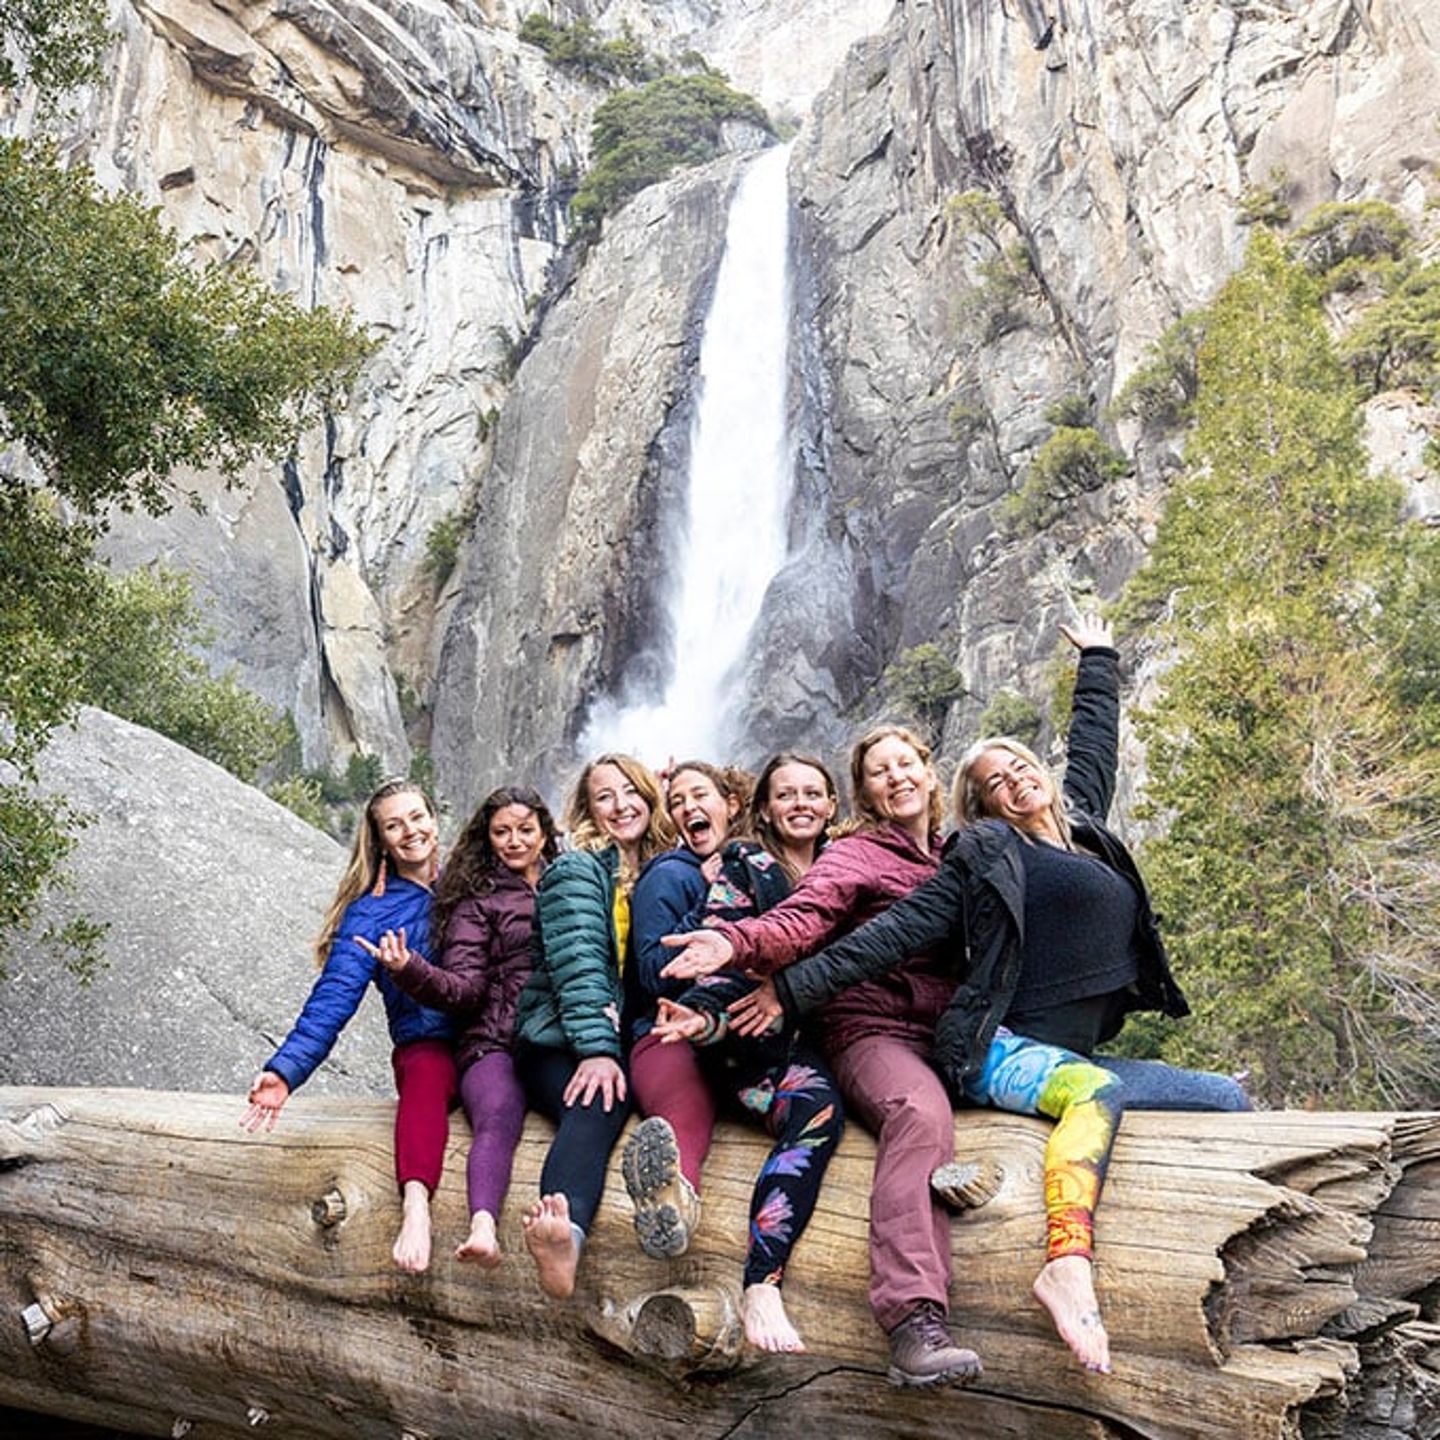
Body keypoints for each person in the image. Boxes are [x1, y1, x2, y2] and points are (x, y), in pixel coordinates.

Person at [732, 615, 1251, 1375]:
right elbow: (887, 929)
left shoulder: (1077, 831)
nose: (1014, 781)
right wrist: (782, 980)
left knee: (1224, 1099)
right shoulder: (981, 850)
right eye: (994, 781)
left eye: (1019, 767)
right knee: (986, 1107)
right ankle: (956, 1305)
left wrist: (1099, 661)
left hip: (1046, 1046)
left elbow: (1093, 757)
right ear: (977, 803)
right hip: (977, 1047)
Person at [661, 730, 982, 1387]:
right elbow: (804, 917)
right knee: (918, 1117)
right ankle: (913, 1319)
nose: (895, 778)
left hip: (953, 1035)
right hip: (872, 1032)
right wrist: (732, 946)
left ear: (930, 772)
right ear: (862, 793)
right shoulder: (854, 854)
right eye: (878, 771)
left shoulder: (958, 857)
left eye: (905, 765)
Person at [650, 753, 846, 1353]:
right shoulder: (745, 866)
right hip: (755, 1048)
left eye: (812, 792)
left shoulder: (850, 858)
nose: (800, 804)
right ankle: (762, 1282)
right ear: (763, 807)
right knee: (816, 1112)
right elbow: (723, 946)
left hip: (840, 1033)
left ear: (833, 804)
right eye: (785, 794)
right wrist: (702, 1017)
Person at [239, 778, 455, 1274]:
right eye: (394, 826)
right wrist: (286, 1071)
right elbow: (333, 998)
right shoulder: (370, 915)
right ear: (380, 840)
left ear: (434, 819)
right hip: (427, 1042)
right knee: (424, 1078)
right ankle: (416, 1207)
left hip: (485, 1039)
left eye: (417, 818)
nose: (410, 832)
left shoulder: (467, 884)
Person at [369, 786, 559, 1268]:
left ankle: (564, 1232)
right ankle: (483, 1226)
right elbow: (465, 988)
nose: (514, 841)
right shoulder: (479, 901)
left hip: (559, 1036)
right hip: (493, 1041)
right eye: (502, 832)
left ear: (544, 830)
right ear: (486, 836)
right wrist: (410, 969)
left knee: (592, 1102)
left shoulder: (569, 881)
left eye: (524, 830)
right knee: (497, 1112)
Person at [511, 753, 675, 1299]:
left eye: (631, 790)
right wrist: (597, 1050)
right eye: (604, 796)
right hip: (558, 1037)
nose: (621, 805)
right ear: (587, 811)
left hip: (621, 1035)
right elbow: (579, 961)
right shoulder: (577, 870)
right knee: (601, 1101)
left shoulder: (661, 870)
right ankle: (565, 1233)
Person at [621, 761, 755, 1262]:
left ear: (732, 804)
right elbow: (655, 970)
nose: (686, 808)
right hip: (669, 1029)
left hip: (746, 1024)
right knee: (684, 1103)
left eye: (699, 795)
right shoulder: (670, 875)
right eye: (676, 802)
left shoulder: (760, 863)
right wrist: (709, 900)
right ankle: (673, 1200)